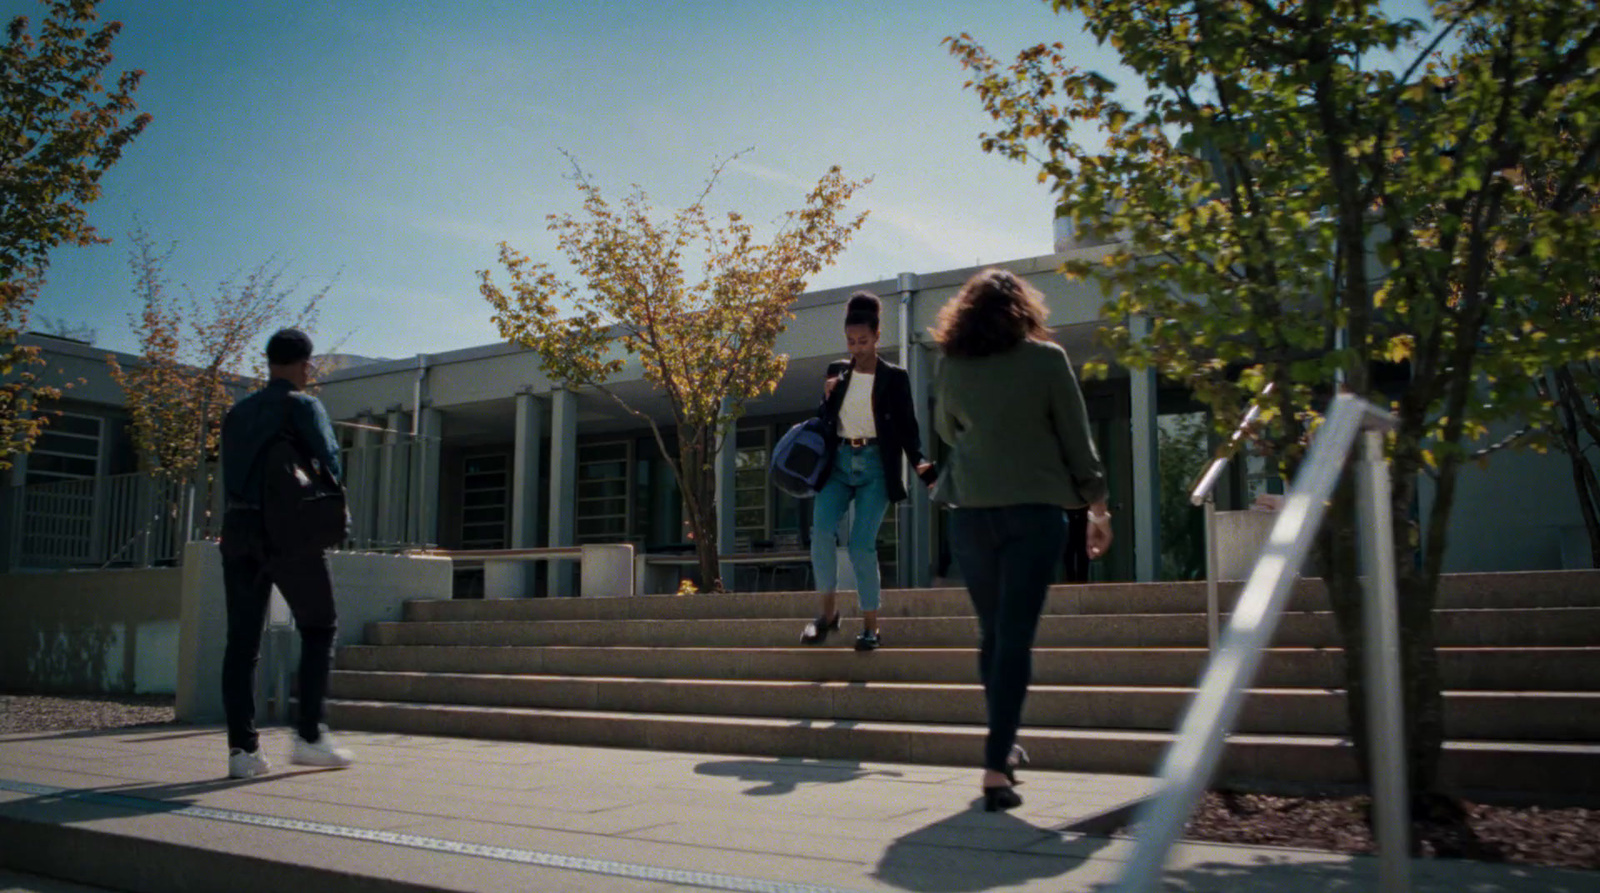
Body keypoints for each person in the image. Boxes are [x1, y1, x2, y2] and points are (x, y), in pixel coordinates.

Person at [929, 269, 1112, 812]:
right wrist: (1097, 508)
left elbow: (946, 429)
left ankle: (1002, 749)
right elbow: (1078, 442)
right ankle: (993, 766)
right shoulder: (1046, 361)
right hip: (1033, 514)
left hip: (970, 516)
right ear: (1024, 309)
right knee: (1013, 638)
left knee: (994, 635)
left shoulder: (953, 366)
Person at [218, 328, 355, 778]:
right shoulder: (302, 404)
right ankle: (310, 737)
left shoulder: (237, 413)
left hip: (238, 531)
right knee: (319, 626)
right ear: (305, 364)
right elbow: (330, 462)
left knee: (242, 643)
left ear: (268, 361)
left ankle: (243, 752)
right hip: (289, 531)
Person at [802, 292, 935, 651]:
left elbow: (908, 430)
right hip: (839, 464)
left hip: (876, 466)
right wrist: (826, 396)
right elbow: (826, 422)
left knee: (861, 546)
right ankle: (827, 616)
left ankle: (871, 627)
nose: (856, 347)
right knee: (822, 533)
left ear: (877, 336)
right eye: (850, 341)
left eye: (863, 340)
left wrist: (924, 468)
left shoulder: (895, 377)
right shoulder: (838, 372)